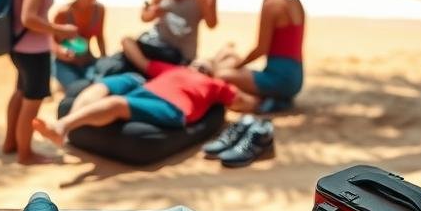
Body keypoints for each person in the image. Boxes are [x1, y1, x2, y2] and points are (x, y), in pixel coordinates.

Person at [33, 58, 258, 146]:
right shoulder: (176, 69)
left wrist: (261, 102)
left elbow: (240, 101)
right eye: (197, 64)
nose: (199, 69)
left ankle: (62, 127)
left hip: (173, 108)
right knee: (103, 90)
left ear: (211, 74)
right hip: (143, 93)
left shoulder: (214, 84)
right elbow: (143, 61)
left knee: (116, 104)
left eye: (205, 68)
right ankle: (76, 127)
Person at [2, 0, 78, 165]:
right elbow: (29, 18)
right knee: (31, 103)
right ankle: (26, 154)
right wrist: (60, 30)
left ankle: (10, 143)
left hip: (18, 47)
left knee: (21, 93)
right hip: (33, 51)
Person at [211, 0, 305, 109]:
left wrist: (238, 66)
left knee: (221, 75)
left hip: (279, 79)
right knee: (232, 61)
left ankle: (265, 102)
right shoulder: (295, 1)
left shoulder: (272, 3)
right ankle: (276, 99)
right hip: (297, 78)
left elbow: (261, 49)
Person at [51, 0, 106, 93]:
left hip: (88, 60)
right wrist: (60, 50)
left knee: (100, 86)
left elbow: (100, 38)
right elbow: (50, 41)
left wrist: (104, 59)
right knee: (76, 91)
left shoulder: (100, 10)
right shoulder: (63, 13)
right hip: (65, 63)